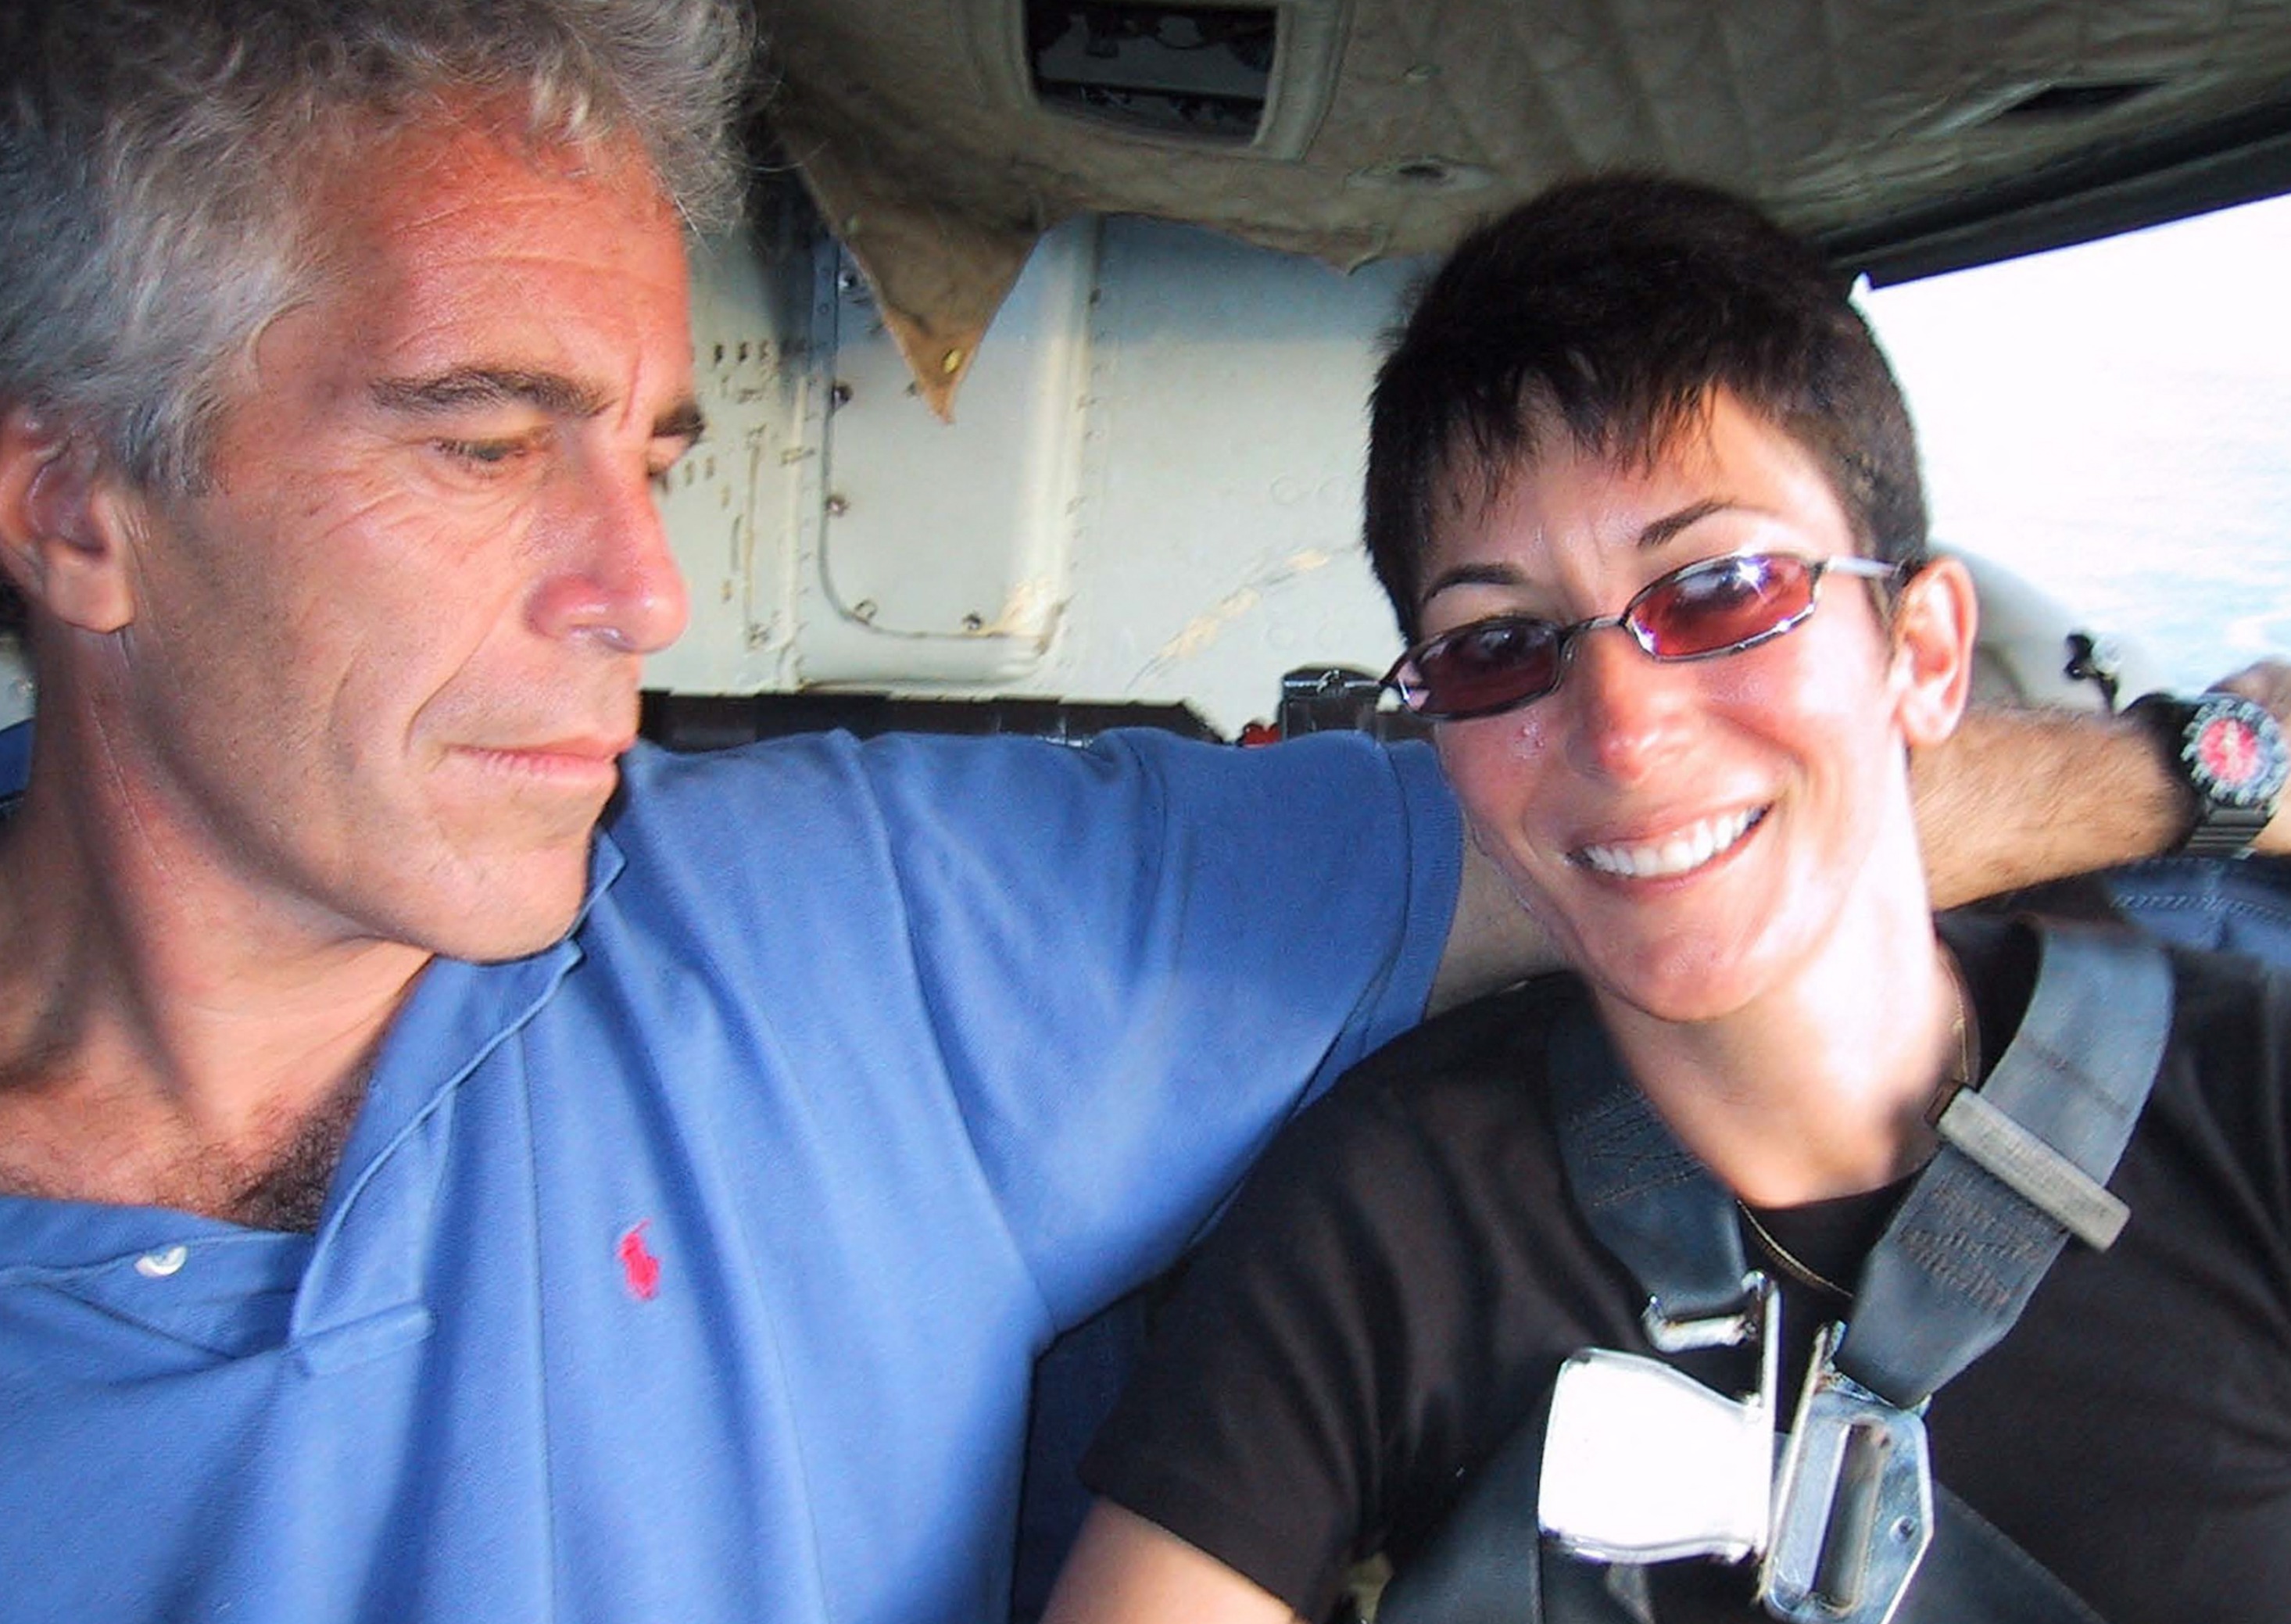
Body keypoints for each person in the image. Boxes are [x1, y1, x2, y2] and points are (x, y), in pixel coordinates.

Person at [0, 4, 2273, 1618]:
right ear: (76, 497)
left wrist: (2203, 772)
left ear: (1917, 627)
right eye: (484, 438)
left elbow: (1637, 816)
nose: (650, 590)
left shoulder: (862, 925)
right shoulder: (1388, 1230)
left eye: (661, 450)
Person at [1046, 177, 2291, 1624]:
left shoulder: (2252, 1098)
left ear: (1926, 653)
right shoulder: (1384, 1216)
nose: (1621, 731)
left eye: (1720, 589)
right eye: (1498, 647)